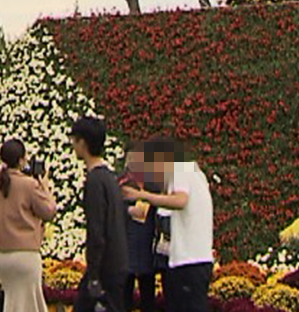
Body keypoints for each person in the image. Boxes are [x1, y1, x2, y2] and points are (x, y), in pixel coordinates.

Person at [121, 136, 213, 312]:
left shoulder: (180, 169)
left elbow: (180, 200)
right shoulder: (194, 172)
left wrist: (142, 196)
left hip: (188, 263)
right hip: (196, 261)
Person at [0, 138, 57, 312]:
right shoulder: (29, 185)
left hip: (1, 255)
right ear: (20, 161)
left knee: (13, 302)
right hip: (25, 254)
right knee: (31, 304)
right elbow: (49, 211)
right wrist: (45, 188)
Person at [69, 116, 127, 312]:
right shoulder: (110, 177)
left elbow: (96, 230)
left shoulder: (94, 181)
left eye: (75, 140)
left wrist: (93, 275)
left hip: (104, 269)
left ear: (83, 142)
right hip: (117, 263)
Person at [121, 146, 164, 312]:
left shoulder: (153, 186)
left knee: (147, 296)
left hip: (146, 247)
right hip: (126, 246)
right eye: (131, 160)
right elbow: (110, 209)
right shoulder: (120, 184)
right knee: (124, 296)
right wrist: (127, 211)